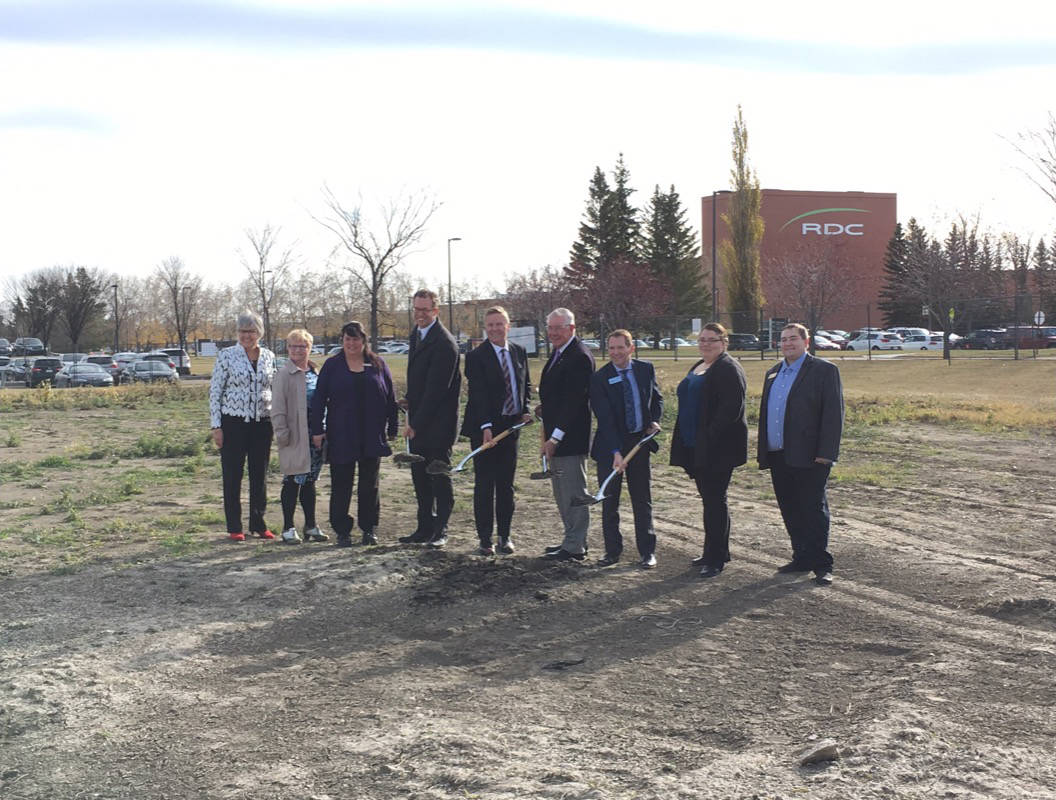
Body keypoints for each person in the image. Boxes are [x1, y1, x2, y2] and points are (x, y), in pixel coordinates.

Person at [757, 323, 844, 586]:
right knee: (790, 508)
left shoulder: (824, 371)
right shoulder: (773, 373)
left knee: (813, 509)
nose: (787, 344)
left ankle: (821, 563)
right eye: (783, 340)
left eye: (793, 339)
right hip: (779, 454)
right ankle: (801, 557)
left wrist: (826, 453)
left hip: (811, 456)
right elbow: (765, 415)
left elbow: (833, 415)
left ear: (806, 342)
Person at [669, 323, 748, 578]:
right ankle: (715, 550)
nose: (705, 344)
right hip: (696, 446)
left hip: (718, 449)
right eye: (702, 340)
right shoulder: (700, 366)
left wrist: (708, 436)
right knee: (710, 501)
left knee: (715, 501)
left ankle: (715, 559)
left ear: (723, 342)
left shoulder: (728, 368)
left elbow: (730, 410)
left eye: (711, 340)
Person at [311, 321, 398, 547]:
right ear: (342, 341)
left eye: (356, 338)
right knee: (342, 484)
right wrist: (317, 430)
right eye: (347, 339)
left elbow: (390, 397)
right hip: (342, 434)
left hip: (372, 433)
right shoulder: (332, 366)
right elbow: (319, 399)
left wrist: (393, 426)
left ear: (364, 340)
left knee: (370, 485)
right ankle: (342, 530)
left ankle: (369, 528)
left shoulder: (378, 364)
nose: (351, 343)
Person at [461, 305, 533, 556]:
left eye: (498, 324)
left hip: (510, 427)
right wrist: (485, 426)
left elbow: (525, 384)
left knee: (506, 485)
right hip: (484, 428)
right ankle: (485, 539)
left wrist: (525, 408)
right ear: (485, 328)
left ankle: (505, 535)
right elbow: (478, 395)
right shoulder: (476, 357)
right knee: (484, 484)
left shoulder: (519, 352)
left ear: (508, 326)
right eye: (490, 325)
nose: (494, 329)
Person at [588, 329, 663, 568]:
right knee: (610, 500)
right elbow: (605, 419)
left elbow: (657, 398)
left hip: (638, 443)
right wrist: (615, 453)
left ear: (631, 348)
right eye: (611, 348)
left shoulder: (645, 369)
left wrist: (654, 420)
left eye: (620, 347)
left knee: (642, 500)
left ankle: (647, 552)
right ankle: (612, 551)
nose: (615, 352)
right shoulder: (600, 378)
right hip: (611, 447)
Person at [397, 290, 461, 548]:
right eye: (416, 309)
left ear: (436, 311)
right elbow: (419, 380)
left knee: (439, 477)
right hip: (420, 419)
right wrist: (409, 399)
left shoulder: (444, 343)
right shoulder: (417, 335)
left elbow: (437, 390)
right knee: (420, 478)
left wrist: (415, 424)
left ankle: (441, 529)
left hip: (439, 424)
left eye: (425, 310)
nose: (420, 315)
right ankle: (424, 527)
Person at [209, 310, 277, 542]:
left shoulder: (268, 356)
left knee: (259, 476)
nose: (246, 335)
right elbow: (215, 392)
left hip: (262, 424)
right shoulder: (227, 356)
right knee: (232, 475)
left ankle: (259, 523)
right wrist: (216, 426)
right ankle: (234, 526)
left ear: (259, 333)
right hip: (233, 423)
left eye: (251, 331)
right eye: (242, 331)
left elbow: (273, 387)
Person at [537, 307, 596, 561]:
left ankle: (576, 545)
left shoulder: (579, 356)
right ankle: (571, 539)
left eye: (558, 328)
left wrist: (555, 438)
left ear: (571, 328)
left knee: (573, 491)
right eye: (550, 328)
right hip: (556, 436)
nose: (553, 333)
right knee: (561, 491)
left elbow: (574, 402)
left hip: (568, 439)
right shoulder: (559, 353)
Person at [271, 329, 329, 545]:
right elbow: (277, 408)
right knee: (292, 481)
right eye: (293, 346)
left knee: (310, 482)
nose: (298, 350)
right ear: (288, 348)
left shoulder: (315, 372)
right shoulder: (284, 374)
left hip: (315, 437)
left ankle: (311, 526)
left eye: (302, 346)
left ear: (309, 348)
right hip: (294, 437)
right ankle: (287, 528)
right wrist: (282, 434)